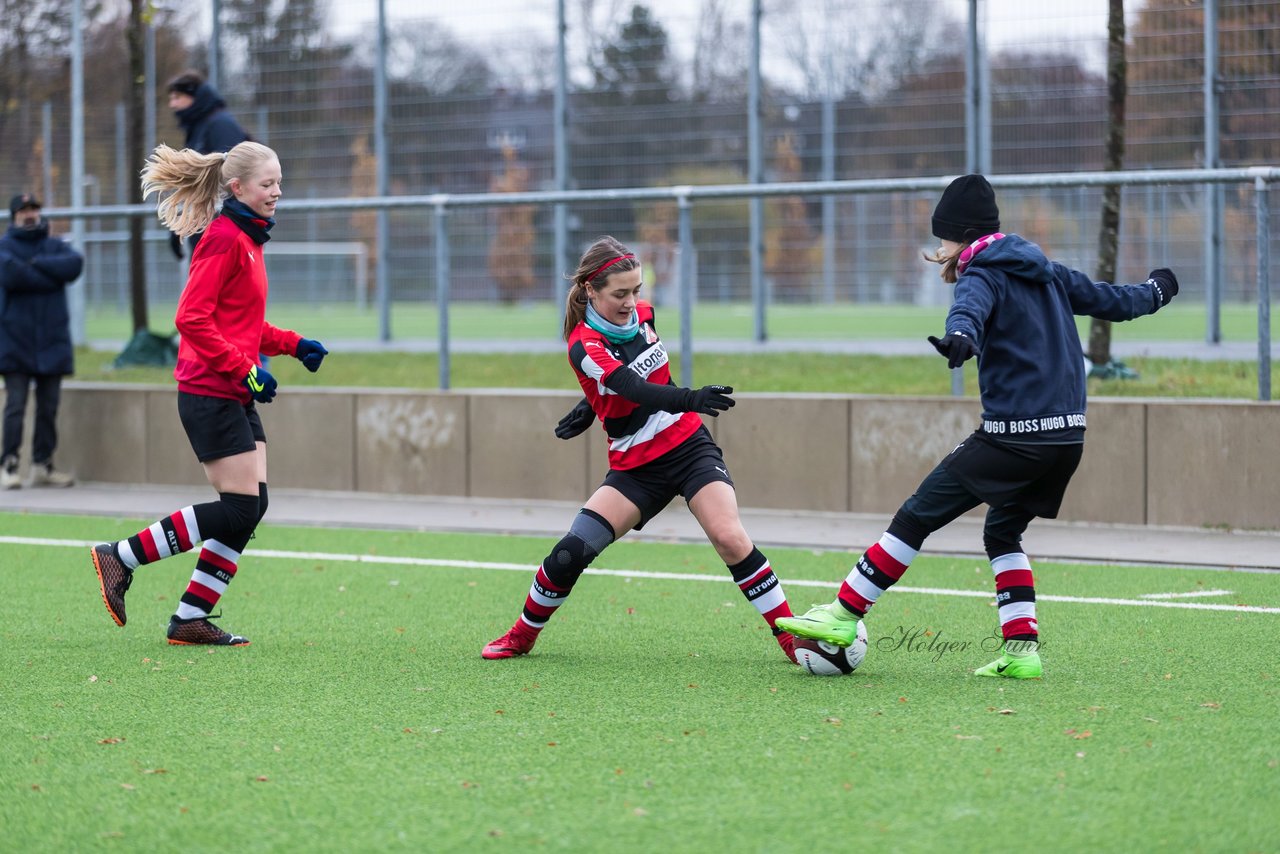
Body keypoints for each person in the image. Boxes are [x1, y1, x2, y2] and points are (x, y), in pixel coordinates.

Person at [776, 174, 1179, 679]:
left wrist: (959, 336)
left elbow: (970, 310)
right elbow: (1114, 301)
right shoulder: (1046, 271)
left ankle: (843, 613)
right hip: (1068, 437)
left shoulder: (980, 272)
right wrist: (1158, 289)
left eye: (942, 236)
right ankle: (1021, 651)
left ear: (959, 235)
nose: (939, 247)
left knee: (916, 515)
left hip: (1015, 438)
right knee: (1002, 531)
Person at [482, 236, 798, 664]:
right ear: (591, 291)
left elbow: (639, 372)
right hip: (635, 468)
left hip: (689, 447)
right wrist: (684, 397)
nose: (632, 302)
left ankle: (790, 640)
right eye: (620, 293)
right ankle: (521, 635)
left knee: (728, 537)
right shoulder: (583, 344)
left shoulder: (645, 314)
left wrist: (591, 405)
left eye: (636, 289)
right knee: (569, 553)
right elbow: (627, 384)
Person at [90, 140, 329, 646]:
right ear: (238, 188)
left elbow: (239, 322)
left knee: (252, 505)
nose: (277, 192)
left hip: (232, 389)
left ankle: (191, 617)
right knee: (241, 508)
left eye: (279, 182)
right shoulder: (222, 238)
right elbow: (190, 319)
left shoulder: (248, 239)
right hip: (208, 390)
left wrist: (292, 345)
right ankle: (120, 556)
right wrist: (246, 372)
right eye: (268, 184)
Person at [0, 193, 83, 489]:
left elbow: (73, 265)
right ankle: (8, 465)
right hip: (15, 341)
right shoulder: (5, 246)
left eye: (34, 208)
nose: (30, 214)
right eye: (23, 210)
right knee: (16, 405)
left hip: (51, 341)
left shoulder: (53, 244)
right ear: (13, 216)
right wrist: (49, 273)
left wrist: (34, 263)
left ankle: (42, 465)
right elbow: (11, 276)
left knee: (48, 407)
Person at [164, 70, 250, 259]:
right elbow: (195, 182)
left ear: (193, 95)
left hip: (226, 231)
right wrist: (181, 221)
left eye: (177, 97)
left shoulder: (221, 124)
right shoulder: (198, 128)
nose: (173, 104)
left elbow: (232, 175)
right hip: (206, 227)